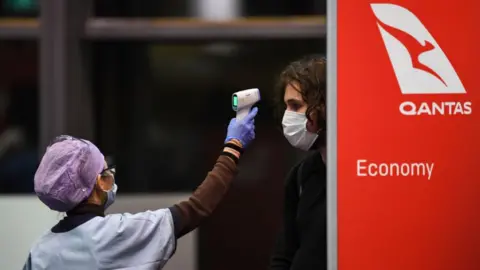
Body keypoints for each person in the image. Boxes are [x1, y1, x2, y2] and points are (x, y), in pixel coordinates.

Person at [23, 107, 258, 270]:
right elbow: (197, 208)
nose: (110, 177)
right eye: (105, 172)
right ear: (98, 185)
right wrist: (233, 147)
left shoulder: (41, 251)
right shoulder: (114, 235)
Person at [269, 55, 327, 270]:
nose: (288, 117)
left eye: (296, 106)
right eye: (286, 107)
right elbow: (284, 255)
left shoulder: (362, 172)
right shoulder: (301, 175)